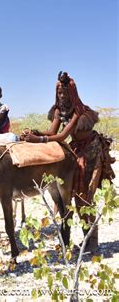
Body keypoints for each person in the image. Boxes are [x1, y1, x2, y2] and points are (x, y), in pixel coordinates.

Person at [22, 71, 115, 253]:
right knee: (69, 193)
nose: (61, 95)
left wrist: (38, 140)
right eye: (59, 92)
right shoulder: (58, 110)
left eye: (64, 92)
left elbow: (63, 136)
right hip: (76, 148)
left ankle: (91, 242)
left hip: (90, 150)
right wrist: (37, 133)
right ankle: (73, 238)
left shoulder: (78, 109)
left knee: (83, 194)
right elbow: (53, 131)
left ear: (72, 93)